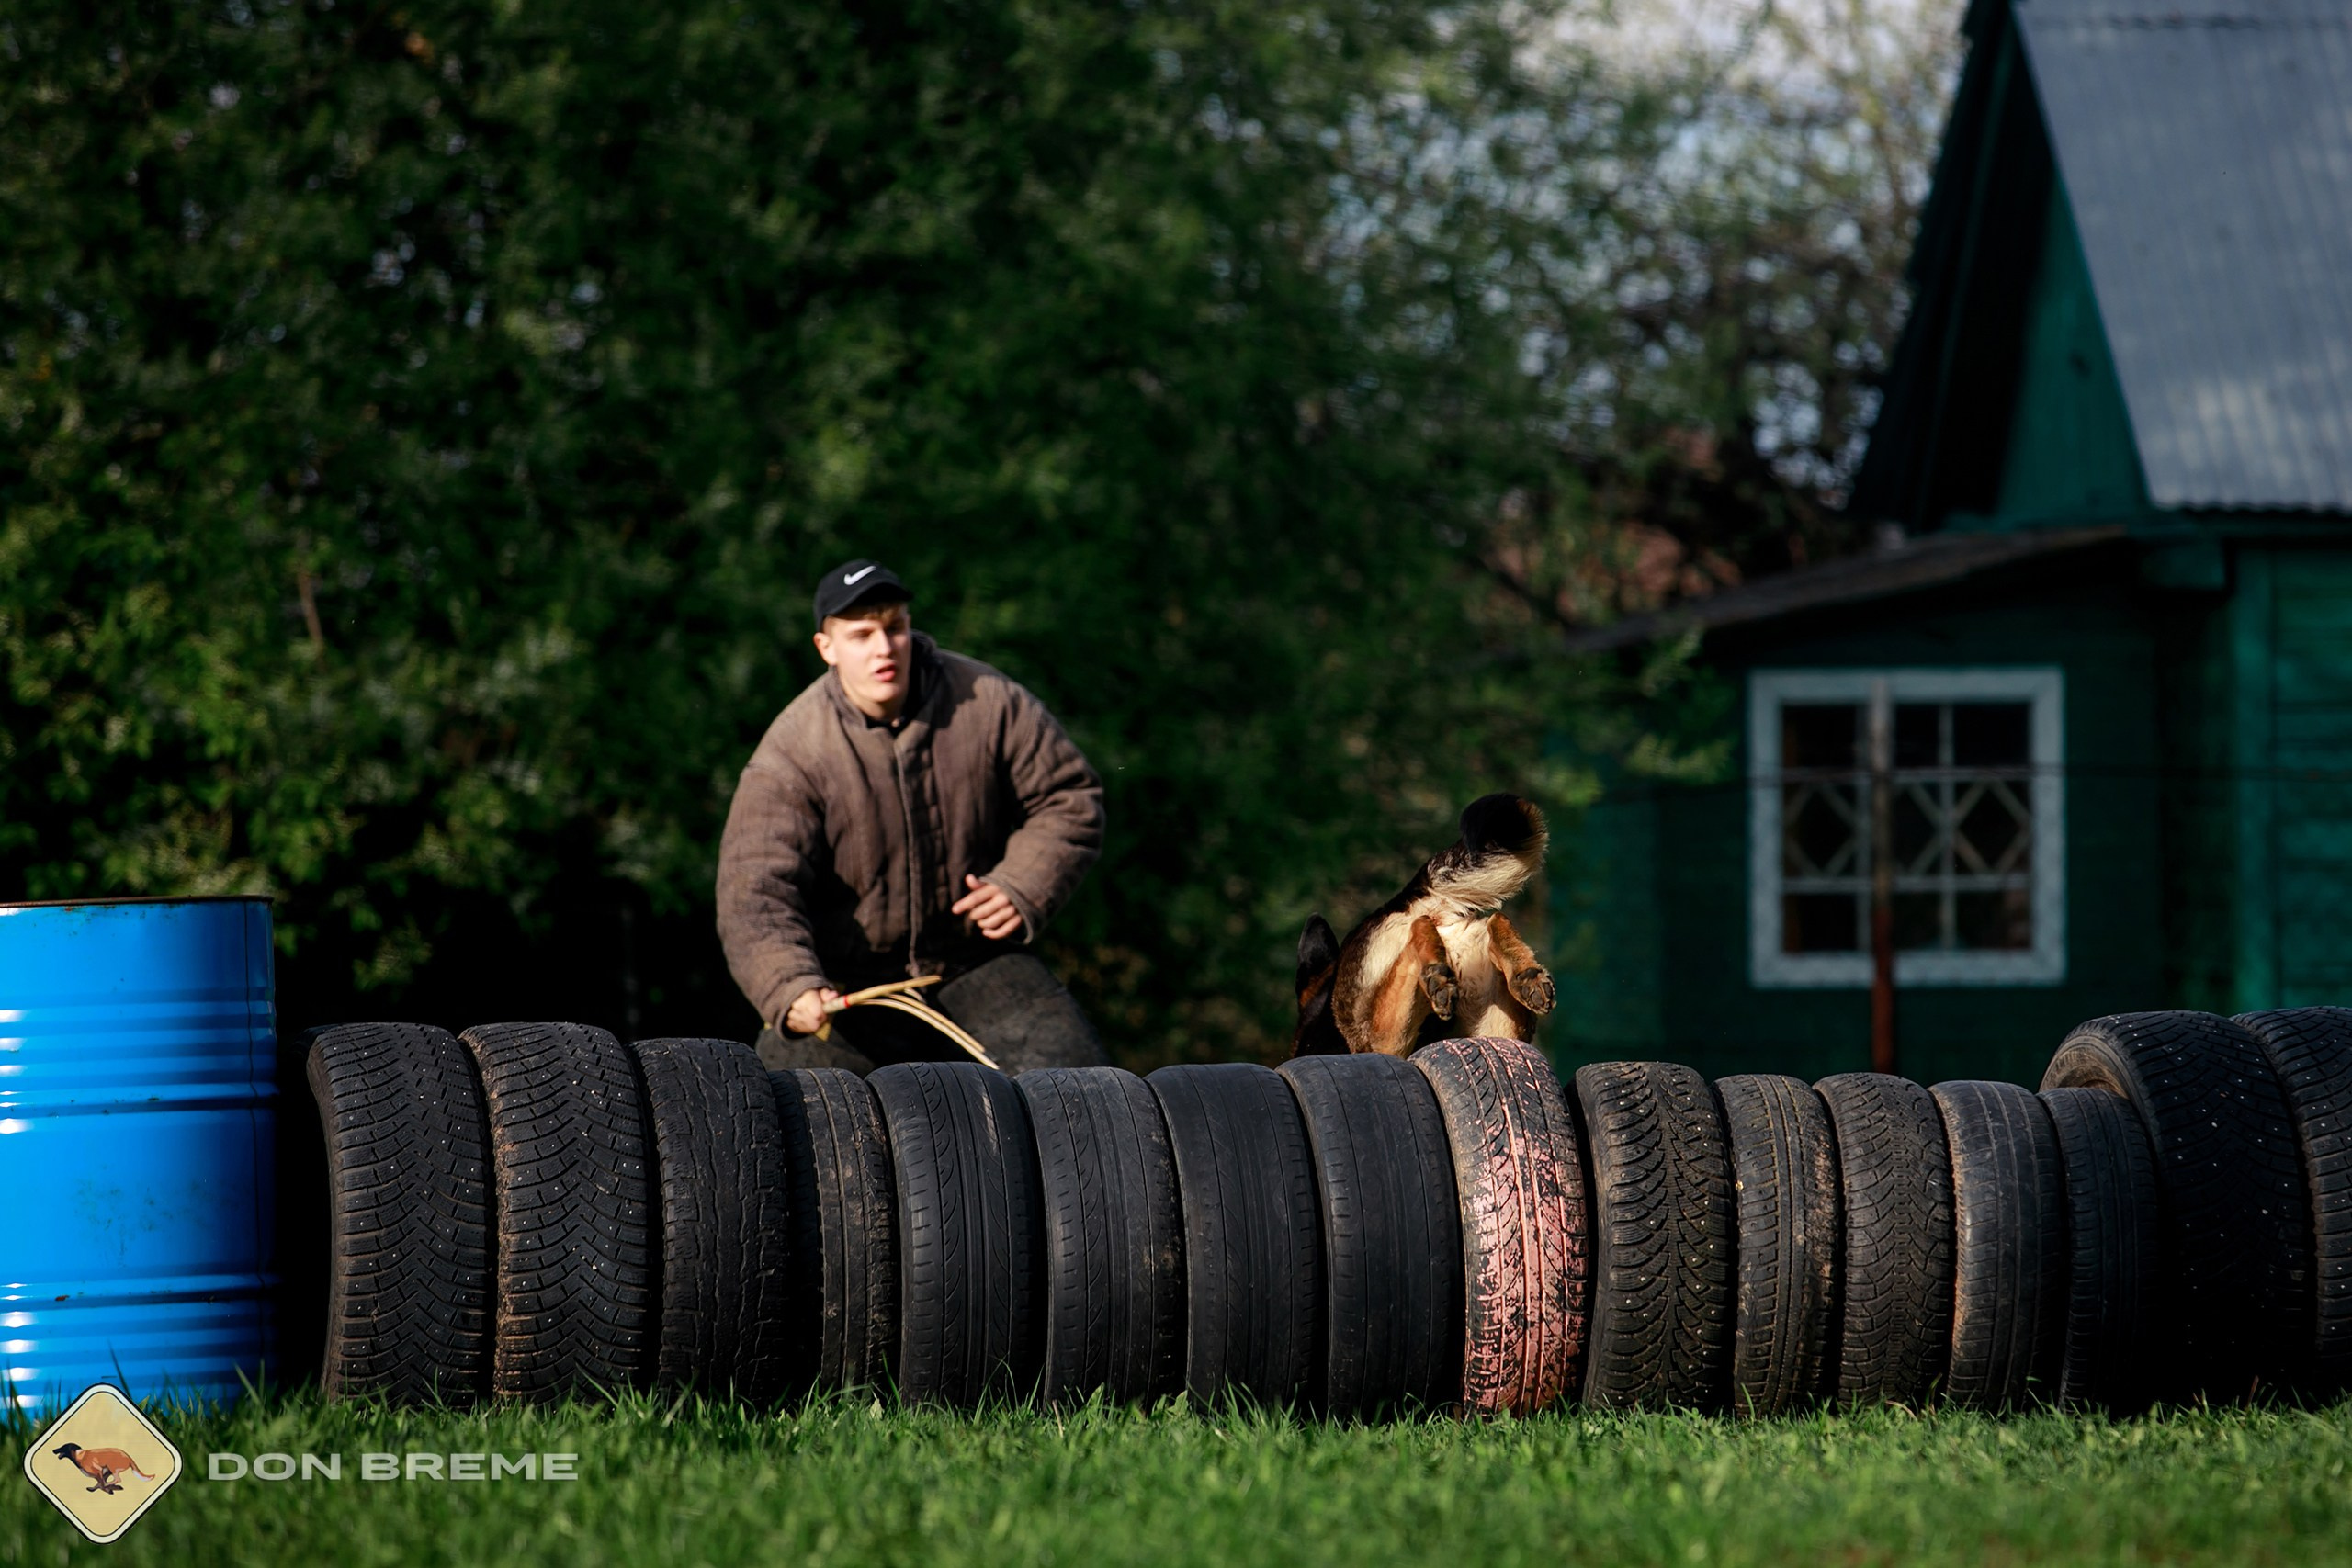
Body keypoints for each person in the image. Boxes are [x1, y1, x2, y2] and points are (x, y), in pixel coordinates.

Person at [716, 558, 1110, 1075]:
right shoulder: (793, 750)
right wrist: (789, 984)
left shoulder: (986, 700)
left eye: (894, 627)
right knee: (800, 1107)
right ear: (826, 648)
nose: (884, 648)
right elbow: (753, 890)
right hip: (846, 988)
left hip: (974, 962)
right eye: (861, 636)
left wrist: (1022, 885)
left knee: (1080, 1090)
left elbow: (1069, 797)